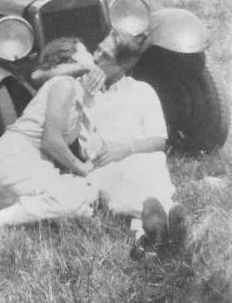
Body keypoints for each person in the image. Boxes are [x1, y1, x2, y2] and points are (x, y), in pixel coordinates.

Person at [33, 29, 187, 257]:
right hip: (104, 165)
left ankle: (149, 236)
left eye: (105, 56)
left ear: (123, 65)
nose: (95, 58)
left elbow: (158, 141)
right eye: (97, 49)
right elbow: (37, 76)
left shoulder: (142, 91)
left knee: (149, 163)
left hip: (139, 157)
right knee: (125, 180)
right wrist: (82, 68)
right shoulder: (82, 88)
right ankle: (166, 215)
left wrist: (127, 148)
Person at [0, 37, 105, 233]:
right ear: (72, 59)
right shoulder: (64, 84)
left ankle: (13, 209)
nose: (91, 56)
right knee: (82, 195)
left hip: (20, 164)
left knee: (89, 194)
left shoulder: (74, 89)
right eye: (85, 52)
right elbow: (51, 142)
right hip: (14, 161)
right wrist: (82, 168)